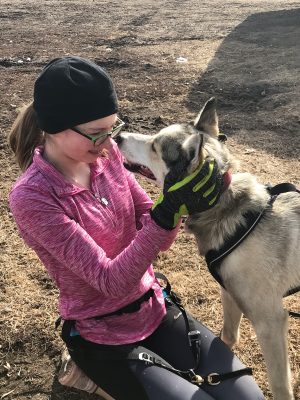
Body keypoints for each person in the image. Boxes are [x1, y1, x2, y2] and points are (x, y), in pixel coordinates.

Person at [8, 56, 265, 400]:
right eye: (97, 133)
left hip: (154, 307)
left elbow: (159, 235)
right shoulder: (33, 196)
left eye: (113, 128)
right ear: (55, 127)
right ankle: (89, 374)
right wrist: (166, 213)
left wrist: (179, 203)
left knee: (248, 398)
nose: (109, 142)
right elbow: (110, 282)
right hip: (101, 331)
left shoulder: (107, 153)